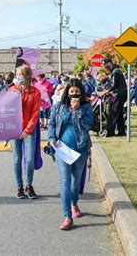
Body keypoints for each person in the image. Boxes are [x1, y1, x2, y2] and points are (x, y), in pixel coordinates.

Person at [48, 78, 94, 230]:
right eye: (71, 92)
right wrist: (52, 138)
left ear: (81, 92)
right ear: (67, 92)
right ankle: (67, 216)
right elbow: (52, 123)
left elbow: (88, 125)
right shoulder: (59, 106)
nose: (74, 95)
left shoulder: (86, 107)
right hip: (62, 149)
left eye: (77, 92)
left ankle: (74, 203)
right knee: (65, 182)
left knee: (75, 183)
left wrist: (77, 111)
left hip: (80, 149)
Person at [8, 65, 41, 199]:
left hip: (29, 130)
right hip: (14, 129)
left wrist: (28, 130)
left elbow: (35, 113)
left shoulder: (35, 92)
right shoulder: (12, 90)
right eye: (16, 74)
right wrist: (17, 95)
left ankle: (29, 185)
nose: (18, 77)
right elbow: (7, 109)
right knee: (17, 159)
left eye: (20, 74)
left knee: (30, 160)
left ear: (27, 76)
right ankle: (19, 187)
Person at [98, 58, 127, 137]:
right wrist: (104, 91)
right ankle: (121, 131)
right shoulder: (114, 71)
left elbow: (114, 85)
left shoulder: (116, 71)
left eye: (105, 64)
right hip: (120, 94)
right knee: (119, 114)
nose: (104, 66)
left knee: (113, 113)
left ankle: (110, 132)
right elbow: (112, 85)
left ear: (110, 63)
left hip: (119, 94)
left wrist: (105, 92)